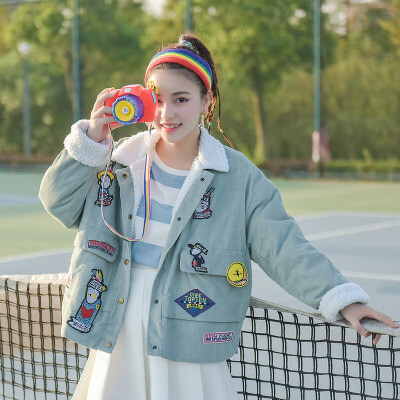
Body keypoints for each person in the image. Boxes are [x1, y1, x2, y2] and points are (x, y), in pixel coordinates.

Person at [39, 32, 398, 400]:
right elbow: (58, 202)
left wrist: (344, 300)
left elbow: (285, 248)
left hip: (189, 336)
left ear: (206, 102)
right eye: (158, 100)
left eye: (181, 99)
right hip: (118, 330)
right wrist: (92, 140)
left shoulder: (239, 178)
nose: (168, 113)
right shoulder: (116, 163)